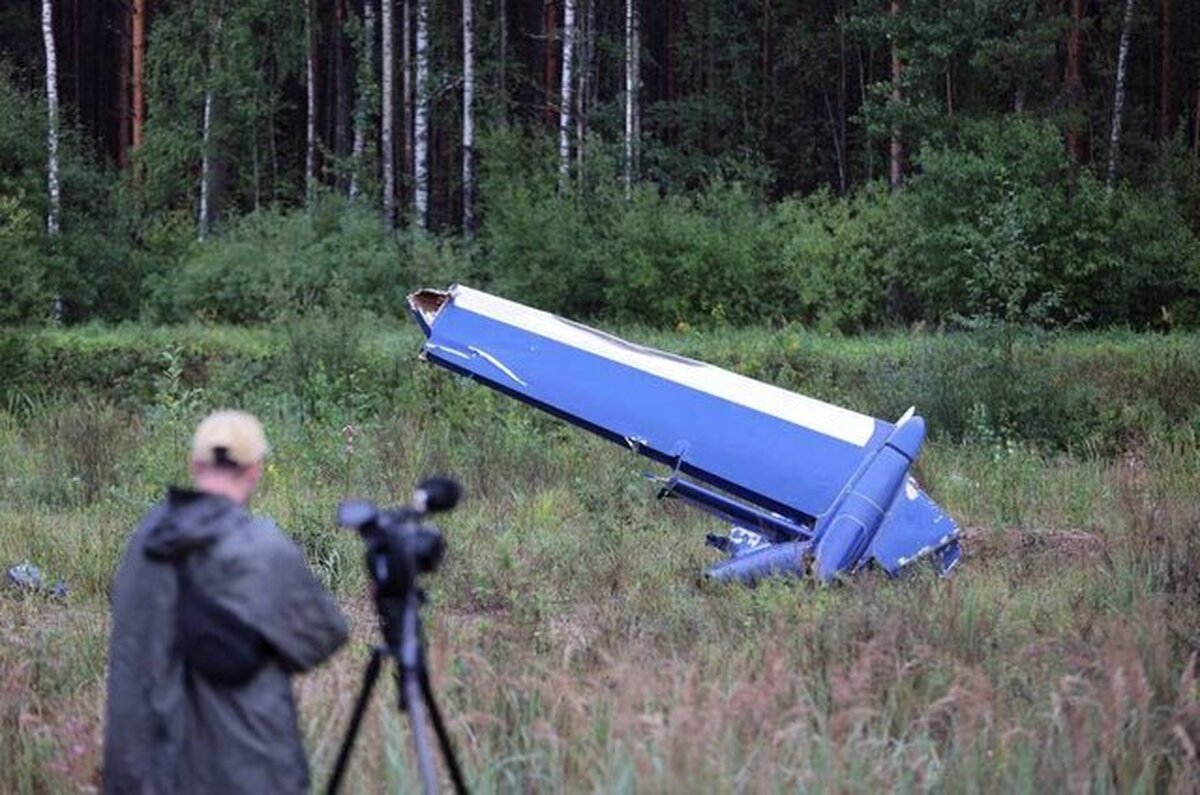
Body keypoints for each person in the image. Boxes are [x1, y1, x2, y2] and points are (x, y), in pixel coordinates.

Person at [104, 410, 348, 794]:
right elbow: (322, 637)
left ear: (194, 465)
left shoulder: (144, 542)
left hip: (145, 768)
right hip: (245, 765)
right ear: (254, 470)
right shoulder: (261, 547)